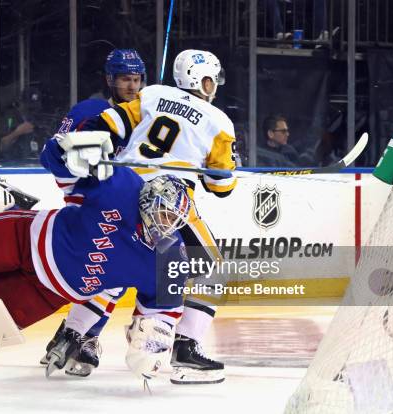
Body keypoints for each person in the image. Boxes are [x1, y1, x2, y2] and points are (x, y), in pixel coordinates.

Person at [0, 133, 191, 381]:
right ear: (148, 200)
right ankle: (5, 205)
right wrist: (67, 149)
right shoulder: (119, 185)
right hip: (30, 238)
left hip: (49, 292)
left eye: (174, 220)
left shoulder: (167, 258)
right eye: (163, 213)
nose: (165, 225)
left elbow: (162, 310)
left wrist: (153, 341)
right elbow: (55, 162)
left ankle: (4, 210)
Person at [45, 49, 236, 384]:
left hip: (121, 189)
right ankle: (185, 347)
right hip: (165, 202)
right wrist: (223, 171)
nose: (213, 86)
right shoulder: (219, 121)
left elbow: (107, 125)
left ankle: (72, 337)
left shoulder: (153, 94)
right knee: (211, 268)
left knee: (116, 265)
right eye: (210, 79)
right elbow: (222, 186)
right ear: (197, 78)